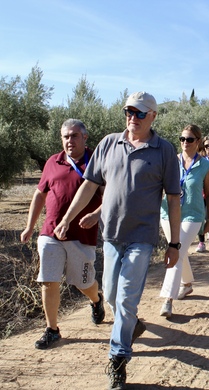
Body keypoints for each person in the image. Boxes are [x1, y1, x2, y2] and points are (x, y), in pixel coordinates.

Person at [54, 91, 181, 390]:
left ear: (152, 116)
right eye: (128, 111)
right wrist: (67, 218)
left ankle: (118, 358)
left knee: (125, 298)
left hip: (142, 237)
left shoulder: (164, 150)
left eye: (138, 113)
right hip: (110, 235)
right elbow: (89, 185)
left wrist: (174, 243)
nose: (132, 117)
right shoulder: (109, 143)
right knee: (110, 294)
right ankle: (131, 325)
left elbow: (174, 199)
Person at [20, 119, 104, 350]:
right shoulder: (52, 162)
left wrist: (96, 214)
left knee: (82, 282)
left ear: (85, 138)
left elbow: (111, 196)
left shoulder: (96, 162)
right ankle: (52, 329)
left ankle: (96, 300)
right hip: (51, 232)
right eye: (66, 136)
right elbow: (39, 195)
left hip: (82, 235)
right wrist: (30, 226)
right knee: (48, 279)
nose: (69, 140)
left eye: (74, 135)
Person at [159, 125, 209, 318]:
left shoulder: (205, 165)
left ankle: (167, 299)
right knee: (179, 252)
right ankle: (187, 284)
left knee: (176, 251)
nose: (185, 143)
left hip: (193, 214)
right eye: (182, 139)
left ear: (197, 142)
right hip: (168, 213)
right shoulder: (172, 161)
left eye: (189, 139)